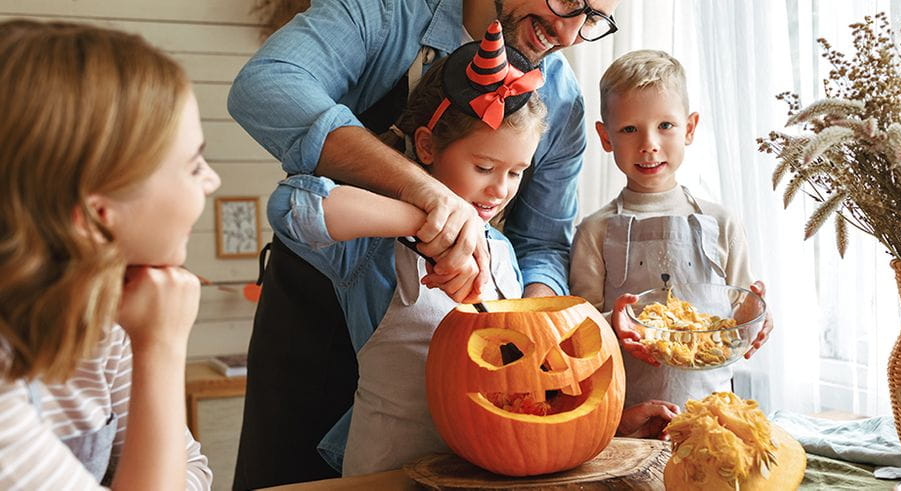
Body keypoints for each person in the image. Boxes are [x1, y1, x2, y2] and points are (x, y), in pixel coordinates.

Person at [227, 1, 621, 487]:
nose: (568, 31)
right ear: (428, 142)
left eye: (594, 19)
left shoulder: (560, 95)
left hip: (467, 376)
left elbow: (541, 243)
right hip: (314, 316)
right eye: (566, 0)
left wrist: (533, 342)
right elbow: (264, 88)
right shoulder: (386, 13)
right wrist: (428, 199)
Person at [266, 22, 546, 475]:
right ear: (427, 146)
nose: (499, 189)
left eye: (516, 173)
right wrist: (426, 219)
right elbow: (291, 207)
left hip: (477, 473)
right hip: (384, 474)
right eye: (485, 167)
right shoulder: (375, 251)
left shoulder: (504, 255)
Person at [0, 20, 220, 489]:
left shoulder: (108, 317)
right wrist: (161, 347)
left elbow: (193, 475)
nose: (211, 181)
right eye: (194, 164)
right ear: (96, 216)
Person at [570, 50, 774, 409]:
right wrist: (614, 322)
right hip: (627, 420)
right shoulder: (594, 231)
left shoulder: (722, 222)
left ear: (690, 128)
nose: (649, 143)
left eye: (665, 126)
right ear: (606, 138)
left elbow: (742, 311)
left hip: (713, 412)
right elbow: (581, 334)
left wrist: (758, 317)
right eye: (629, 129)